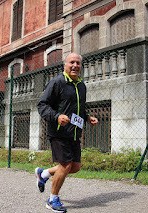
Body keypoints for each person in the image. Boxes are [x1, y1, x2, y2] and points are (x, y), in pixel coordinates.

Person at [35, 53, 98, 213]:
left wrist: (88, 117)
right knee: (65, 165)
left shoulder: (81, 85)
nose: (75, 65)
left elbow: (78, 109)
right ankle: (52, 199)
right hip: (58, 132)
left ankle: (44, 174)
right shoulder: (57, 82)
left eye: (78, 63)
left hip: (75, 132)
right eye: (72, 62)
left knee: (75, 167)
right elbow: (42, 105)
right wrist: (56, 117)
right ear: (65, 65)